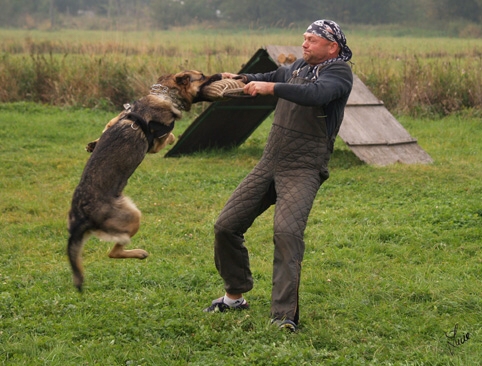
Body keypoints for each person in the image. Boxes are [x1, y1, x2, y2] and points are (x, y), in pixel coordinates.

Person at [203, 19, 353, 332]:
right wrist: (241, 78)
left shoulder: (338, 72)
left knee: (287, 234)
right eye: (304, 38)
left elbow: (316, 95)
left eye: (312, 40)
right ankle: (234, 296)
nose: (304, 44)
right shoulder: (296, 68)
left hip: (303, 167)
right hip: (269, 162)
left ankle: (283, 316)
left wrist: (271, 88)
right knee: (226, 226)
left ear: (332, 46)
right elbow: (270, 75)